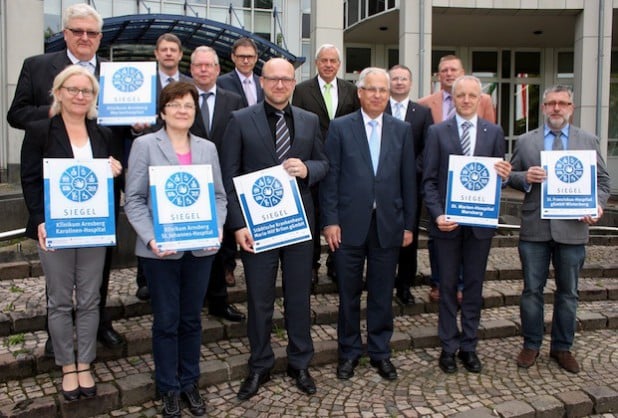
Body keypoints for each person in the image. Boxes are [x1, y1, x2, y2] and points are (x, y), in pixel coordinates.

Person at [7, 2, 124, 354]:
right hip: (57, 190)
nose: (85, 37)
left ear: (100, 38)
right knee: (58, 276)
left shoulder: (116, 74)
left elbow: (123, 128)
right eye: (78, 31)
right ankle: (57, 335)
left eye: (92, 33)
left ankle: (99, 323)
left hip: (102, 185)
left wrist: (136, 121)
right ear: (66, 34)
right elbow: (17, 114)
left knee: (99, 265)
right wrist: (64, 109)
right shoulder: (39, 66)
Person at [221, 58, 328, 400]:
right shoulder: (239, 120)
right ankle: (260, 363)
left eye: (286, 79)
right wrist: (237, 225)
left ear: (294, 83)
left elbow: (326, 164)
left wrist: (308, 168)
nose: (279, 85)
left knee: (299, 297)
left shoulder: (310, 121)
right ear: (262, 81)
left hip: (298, 225)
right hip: (257, 228)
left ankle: (300, 362)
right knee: (260, 298)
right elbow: (228, 175)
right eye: (273, 79)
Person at [124, 81, 227, 417]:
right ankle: (168, 387)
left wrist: (217, 227)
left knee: (191, 320)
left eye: (188, 105)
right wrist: (152, 237)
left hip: (200, 250)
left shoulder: (207, 148)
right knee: (166, 321)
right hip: (161, 252)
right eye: (176, 104)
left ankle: (190, 383)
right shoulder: (144, 145)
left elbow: (219, 197)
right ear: (163, 110)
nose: (182, 110)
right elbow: (135, 199)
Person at [20, 65, 123, 401]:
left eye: (87, 91)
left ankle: (86, 362)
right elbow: (31, 180)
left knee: (91, 299)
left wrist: (115, 172)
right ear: (59, 91)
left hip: (93, 228)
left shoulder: (102, 133)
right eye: (73, 89)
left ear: (94, 97)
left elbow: (107, 183)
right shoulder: (40, 130)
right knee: (61, 300)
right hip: (55, 229)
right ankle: (67, 364)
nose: (80, 96)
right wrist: (39, 219)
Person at [320, 67, 417, 381]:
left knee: (381, 292)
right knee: (348, 293)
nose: (377, 95)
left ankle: (379, 351)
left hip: (388, 225)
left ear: (389, 96)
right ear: (359, 92)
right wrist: (330, 221)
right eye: (371, 89)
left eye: (383, 90)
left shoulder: (401, 130)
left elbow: (408, 182)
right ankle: (348, 352)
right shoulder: (340, 127)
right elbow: (331, 178)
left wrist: (408, 226)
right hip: (348, 226)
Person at [509, 85, 610, 374]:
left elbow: (603, 183)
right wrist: (525, 176)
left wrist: (598, 206)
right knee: (531, 291)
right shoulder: (526, 141)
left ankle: (562, 347)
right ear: (543, 108)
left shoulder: (587, 140)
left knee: (569, 293)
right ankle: (531, 344)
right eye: (551, 103)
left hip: (573, 229)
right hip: (535, 229)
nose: (556, 108)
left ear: (571, 108)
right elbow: (509, 176)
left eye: (562, 103)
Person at [423, 75, 511, 374]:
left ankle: (469, 346)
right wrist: (436, 214)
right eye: (461, 95)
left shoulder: (494, 132)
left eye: (473, 95)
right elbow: (429, 180)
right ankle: (448, 346)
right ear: (453, 97)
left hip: (479, 226)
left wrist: (505, 174)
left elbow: (498, 178)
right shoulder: (437, 132)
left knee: (473, 286)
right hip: (447, 225)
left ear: (480, 99)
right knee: (447, 286)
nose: (467, 100)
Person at [419, 54, 496, 303]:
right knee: (439, 244)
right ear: (438, 76)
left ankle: (461, 286)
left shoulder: (482, 102)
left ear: (462, 72)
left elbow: (490, 151)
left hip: (474, 192)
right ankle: (439, 283)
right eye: (444, 71)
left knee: (472, 252)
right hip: (441, 188)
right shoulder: (425, 103)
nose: (449, 74)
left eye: (453, 70)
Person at [292, 44, 360, 285]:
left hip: (344, 163)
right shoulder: (301, 90)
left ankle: (335, 262)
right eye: (324, 60)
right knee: (313, 216)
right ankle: (311, 265)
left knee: (338, 215)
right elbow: (298, 125)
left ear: (339, 64)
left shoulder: (351, 90)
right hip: (313, 161)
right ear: (317, 63)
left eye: (333, 61)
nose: (329, 65)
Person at [132, 33, 193, 301]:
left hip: (183, 163)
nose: (168, 53)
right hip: (146, 157)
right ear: (156, 54)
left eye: (173, 50)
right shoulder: (142, 85)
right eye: (163, 49)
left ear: (180, 55)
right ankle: (145, 279)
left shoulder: (189, 87)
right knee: (147, 211)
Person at [189, 45, 245, 322]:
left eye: (208, 65)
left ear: (217, 69)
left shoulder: (234, 100)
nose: (203, 69)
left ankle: (219, 302)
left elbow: (244, 138)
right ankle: (193, 301)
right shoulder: (180, 98)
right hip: (190, 185)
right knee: (194, 245)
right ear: (191, 69)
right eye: (198, 65)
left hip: (224, 183)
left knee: (221, 247)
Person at [386, 64, 434, 306]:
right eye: (395, 78)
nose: (399, 83)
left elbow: (428, 147)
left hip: (410, 186)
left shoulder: (422, 113)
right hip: (380, 186)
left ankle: (404, 285)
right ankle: (383, 283)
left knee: (409, 237)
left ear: (411, 83)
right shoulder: (378, 108)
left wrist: (409, 170)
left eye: (404, 79)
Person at [216, 37, 264, 107]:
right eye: (241, 56)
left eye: (249, 57)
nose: (246, 61)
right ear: (233, 57)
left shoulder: (262, 82)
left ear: (256, 58)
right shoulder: (221, 83)